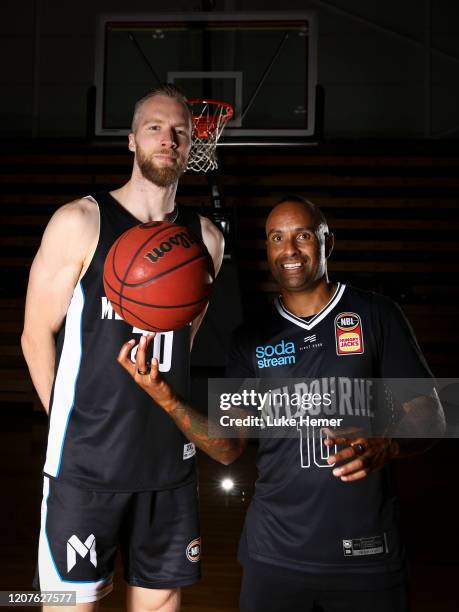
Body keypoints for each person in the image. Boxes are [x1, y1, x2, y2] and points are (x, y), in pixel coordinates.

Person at [119, 195, 445, 612]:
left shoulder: (376, 315)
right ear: (268, 250)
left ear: (327, 243)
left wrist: (389, 440)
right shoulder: (249, 337)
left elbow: (435, 411)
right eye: (277, 238)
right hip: (274, 557)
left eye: (303, 235)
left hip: (366, 555)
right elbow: (226, 447)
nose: (289, 249)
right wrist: (165, 398)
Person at [21, 84, 224, 611]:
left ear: (192, 144)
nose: (169, 137)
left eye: (180, 129)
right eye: (155, 127)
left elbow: (185, 339)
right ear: (132, 141)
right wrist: (67, 426)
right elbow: (34, 332)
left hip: (167, 469)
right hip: (86, 470)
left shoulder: (207, 239)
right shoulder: (80, 222)